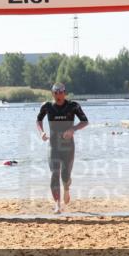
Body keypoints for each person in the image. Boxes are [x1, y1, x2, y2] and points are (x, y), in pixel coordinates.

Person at [36, 83, 88, 213]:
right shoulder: (47, 106)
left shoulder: (73, 106)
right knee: (54, 173)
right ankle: (57, 205)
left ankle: (66, 188)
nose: (58, 95)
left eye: (61, 93)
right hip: (53, 145)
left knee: (65, 176)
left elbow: (85, 121)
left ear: (65, 93)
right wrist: (41, 132)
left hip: (68, 146)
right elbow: (38, 120)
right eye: (56, 93)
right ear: (52, 94)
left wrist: (73, 129)